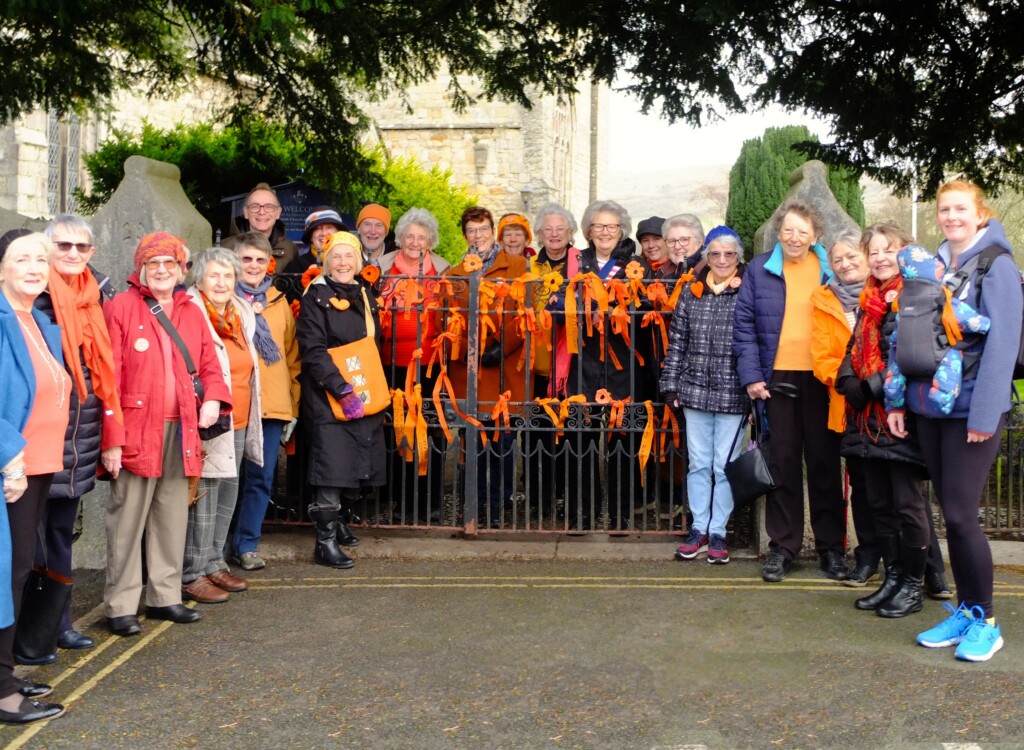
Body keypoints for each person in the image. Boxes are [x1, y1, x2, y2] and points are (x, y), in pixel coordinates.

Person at [889, 181, 1023, 661]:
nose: (951, 216)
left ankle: (986, 620)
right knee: (952, 514)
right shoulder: (934, 265)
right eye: (944, 209)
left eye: (960, 208)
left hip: (972, 410)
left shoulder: (997, 266)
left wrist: (987, 413)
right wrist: (900, 401)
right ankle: (966, 611)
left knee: (964, 515)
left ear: (980, 213)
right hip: (931, 407)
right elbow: (909, 337)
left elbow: (1003, 345)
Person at [101, 233, 231, 636]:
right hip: (138, 429)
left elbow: (209, 363)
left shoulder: (192, 310)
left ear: (182, 270)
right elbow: (110, 378)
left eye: (169, 264)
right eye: (153, 264)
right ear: (141, 269)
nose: (161, 271)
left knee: (171, 516)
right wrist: (113, 439)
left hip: (183, 428)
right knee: (127, 520)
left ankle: (165, 597)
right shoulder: (121, 307)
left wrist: (214, 399)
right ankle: (120, 604)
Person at [732, 199, 848, 582]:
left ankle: (832, 548)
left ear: (816, 235)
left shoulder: (831, 270)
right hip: (775, 380)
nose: (794, 238)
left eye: (803, 231)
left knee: (825, 466)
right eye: (788, 230)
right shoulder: (759, 269)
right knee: (781, 464)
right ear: (778, 232)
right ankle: (782, 547)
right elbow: (744, 326)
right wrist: (751, 376)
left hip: (822, 379)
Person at [22, 216, 117, 659]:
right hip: (40, 442)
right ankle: (31, 635)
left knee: (60, 536)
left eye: (82, 247)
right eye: (64, 246)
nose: (74, 254)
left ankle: (56, 624)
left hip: (79, 439)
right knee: (30, 545)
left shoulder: (95, 300)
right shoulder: (34, 302)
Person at [549, 199, 651, 531]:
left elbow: (648, 310)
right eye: (598, 226)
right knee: (580, 439)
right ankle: (583, 514)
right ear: (589, 231)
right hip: (584, 362)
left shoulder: (637, 266)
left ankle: (620, 516)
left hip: (624, 364)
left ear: (621, 230)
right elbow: (557, 304)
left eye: (611, 226)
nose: (604, 232)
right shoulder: (576, 263)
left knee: (623, 439)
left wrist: (618, 310)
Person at [0, 232, 68, 723]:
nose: (34, 266)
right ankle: (2, 693)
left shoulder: (40, 320)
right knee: (6, 575)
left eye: (40, 259)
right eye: (21, 258)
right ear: (0, 268)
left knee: (19, 571)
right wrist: (10, 459)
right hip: (13, 468)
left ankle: (5, 671)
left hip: (42, 465)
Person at [296, 231, 386, 567]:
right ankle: (325, 542)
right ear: (326, 262)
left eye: (350, 256)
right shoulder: (315, 296)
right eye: (336, 256)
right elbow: (313, 350)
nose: (343, 262)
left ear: (360, 261)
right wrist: (341, 389)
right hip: (329, 395)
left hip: (362, 389)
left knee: (358, 465)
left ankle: (340, 521)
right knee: (332, 469)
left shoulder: (364, 293)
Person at [660, 226, 747, 564]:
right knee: (698, 465)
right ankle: (698, 528)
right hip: (694, 391)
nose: (722, 260)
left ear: (738, 257)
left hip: (733, 392)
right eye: (715, 254)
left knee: (724, 466)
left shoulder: (747, 291)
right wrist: (671, 384)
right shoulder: (692, 292)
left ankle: (718, 532)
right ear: (706, 257)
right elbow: (677, 341)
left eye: (728, 254)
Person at [181, 248, 264, 604]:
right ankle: (192, 571)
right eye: (214, 275)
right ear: (198, 278)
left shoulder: (240, 310)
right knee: (205, 495)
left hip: (241, 416)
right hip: (210, 419)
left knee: (227, 493)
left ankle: (214, 561)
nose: (221, 283)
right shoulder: (191, 311)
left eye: (228, 276)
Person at [444, 206, 528, 528]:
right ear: (464, 235)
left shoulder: (518, 266)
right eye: (471, 231)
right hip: (472, 369)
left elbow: (527, 313)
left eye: (483, 229)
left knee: (503, 441)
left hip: (505, 367)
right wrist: (472, 347)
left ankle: (499, 501)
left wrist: (501, 347)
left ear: (493, 231)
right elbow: (451, 319)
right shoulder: (455, 274)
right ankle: (475, 503)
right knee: (474, 440)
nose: (477, 236)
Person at [231, 233, 301, 571]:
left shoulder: (278, 302)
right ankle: (216, 547)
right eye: (247, 259)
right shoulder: (220, 298)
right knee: (227, 478)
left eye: (260, 260)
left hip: (271, 404)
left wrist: (292, 404)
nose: (254, 266)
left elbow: (291, 357)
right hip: (233, 403)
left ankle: (246, 544)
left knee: (260, 478)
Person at [378, 208, 451, 524]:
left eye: (422, 237)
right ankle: (403, 499)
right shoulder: (383, 267)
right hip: (390, 361)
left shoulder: (443, 270)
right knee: (397, 431)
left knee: (431, 431)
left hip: (430, 364)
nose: (415, 242)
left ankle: (431, 500)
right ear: (400, 238)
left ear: (430, 241)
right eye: (409, 235)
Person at [526, 204, 577, 523]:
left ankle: (567, 499)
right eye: (548, 229)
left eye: (561, 229)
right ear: (540, 234)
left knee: (569, 436)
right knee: (535, 435)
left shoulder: (580, 262)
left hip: (570, 365)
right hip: (535, 365)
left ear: (571, 232)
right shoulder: (529, 265)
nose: (555, 234)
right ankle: (538, 499)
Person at [223, 183, 298, 270]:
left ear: (278, 213)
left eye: (269, 207)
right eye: (255, 207)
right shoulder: (225, 248)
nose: (262, 212)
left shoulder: (290, 250)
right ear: (246, 212)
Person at [283, 207, 348, 279]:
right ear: (310, 236)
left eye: (329, 227)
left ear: (339, 233)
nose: (324, 233)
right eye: (317, 228)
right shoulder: (296, 266)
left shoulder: (351, 263)